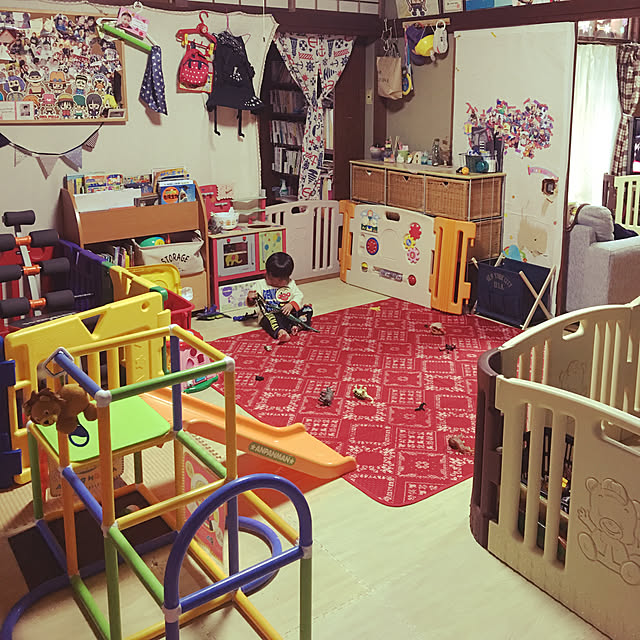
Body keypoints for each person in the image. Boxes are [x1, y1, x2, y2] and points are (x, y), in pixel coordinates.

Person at [246, 252, 313, 343]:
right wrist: (250, 298)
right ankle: (281, 332)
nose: (268, 280)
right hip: (272, 315)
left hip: (288, 315)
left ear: (285, 279)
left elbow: (299, 295)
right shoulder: (261, 285)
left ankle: (297, 326)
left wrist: (291, 305)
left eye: (275, 281)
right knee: (268, 319)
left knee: (308, 309)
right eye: (268, 276)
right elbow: (252, 304)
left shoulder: (290, 284)